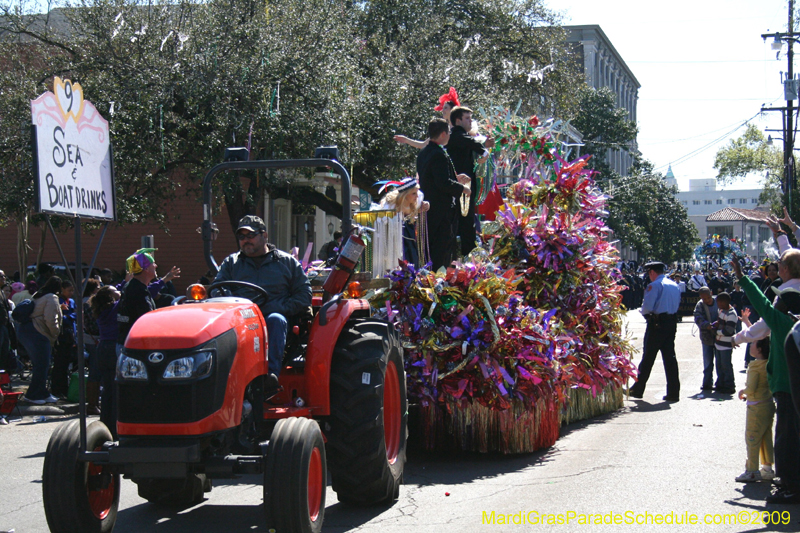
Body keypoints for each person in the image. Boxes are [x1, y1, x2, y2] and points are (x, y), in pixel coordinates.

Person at [731, 253, 800, 504]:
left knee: (785, 438)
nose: (777, 302)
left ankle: (791, 486)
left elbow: (762, 305)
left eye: (780, 299)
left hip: (786, 385)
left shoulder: (782, 323)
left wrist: (742, 278)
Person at [214, 215, 312, 391]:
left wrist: (278, 307)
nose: (245, 241)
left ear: (264, 235)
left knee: (276, 319)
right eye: (242, 237)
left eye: (250, 236)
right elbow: (217, 289)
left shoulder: (286, 262)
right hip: (239, 320)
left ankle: (270, 376)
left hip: (273, 321)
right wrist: (234, 304)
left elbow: (304, 295)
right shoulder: (231, 263)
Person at [417, 118, 471, 270]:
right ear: (442, 134)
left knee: (433, 247)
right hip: (441, 211)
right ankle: (440, 279)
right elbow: (443, 183)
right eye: (448, 132)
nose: (449, 136)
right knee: (442, 249)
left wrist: (455, 178)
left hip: (430, 208)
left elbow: (432, 177)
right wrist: (463, 189)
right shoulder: (439, 154)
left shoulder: (424, 152)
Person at [628, 262, 681, 402]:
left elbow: (647, 307)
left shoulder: (655, 285)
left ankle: (638, 389)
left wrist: (645, 314)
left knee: (648, 358)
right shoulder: (674, 285)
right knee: (670, 358)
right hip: (671, 322)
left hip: (657, 324)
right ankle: (674, 391)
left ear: (652, 272)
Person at [447, 106, 495, 257]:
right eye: (467, 118)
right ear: (457, 120)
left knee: (465, 222)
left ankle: (465, 255)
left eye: (470, 118)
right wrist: (485, 152)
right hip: (460, 187)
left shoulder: (461, 137)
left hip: (463, 187)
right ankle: (468, 257)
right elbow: (472, 143)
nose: (470, 121)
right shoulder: (457, 135)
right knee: (465, 223)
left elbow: (472, 143)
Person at [117, 248, 179, 348]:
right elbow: (147, 319)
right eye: (153, 263)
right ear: (145, 269)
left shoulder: (133, 286)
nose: (156, 266)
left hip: (127, 342)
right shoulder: (139, 290)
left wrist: (165, 279)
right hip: (135, 346)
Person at [735, 336, 775, 483]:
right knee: (766, 436)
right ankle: (767, 467)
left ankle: (752, 470)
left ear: (758, 349)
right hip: (768, 404)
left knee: (752, 437)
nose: (750, 345)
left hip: (756, 406)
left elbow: (751, 388)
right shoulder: (769, 364)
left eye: (753, 344)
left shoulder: (754, 366)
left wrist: (743, 392)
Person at [18, 276, 63, 404]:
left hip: (27, 331)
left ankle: (42, 393)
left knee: (41, 365)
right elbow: (51, 320)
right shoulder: (52, 298)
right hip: (38, 332)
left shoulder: (39, 295)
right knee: (42, 366)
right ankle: (33, 395)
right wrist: (55, 336)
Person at [90, 285, 122, 438]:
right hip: (113, 348)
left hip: (102, 348)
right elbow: (126, 300)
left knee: (107, 387)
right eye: (115, 290)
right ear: (111, 296)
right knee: (116, 389)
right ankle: (115, 427)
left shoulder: (100, 310)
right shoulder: (115, 309)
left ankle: (105, 423)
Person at [380, 177, 431, 267]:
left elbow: (418, 207)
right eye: (413, 193)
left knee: (412, 257)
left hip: (409, 234)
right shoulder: (391, 206)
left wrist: (426, 205)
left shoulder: (416, 202)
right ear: (405, 195)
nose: (417, 196)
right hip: (395, 237)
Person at [394, 87, 460, 149]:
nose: (443, 110)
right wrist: (406, 140)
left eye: (445, 108)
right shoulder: (444, 127)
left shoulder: (459, 128)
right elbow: (423, 145)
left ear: (452, 109)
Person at [50, 279, 77, 399]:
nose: (71, 293)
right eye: (69, 290)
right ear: (62, 290)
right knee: (59, 364)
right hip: (61, 335)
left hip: (71, 334)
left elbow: (76, 314)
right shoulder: (57, 300)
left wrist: (69, 315)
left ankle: (65, 389)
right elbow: (61, 318)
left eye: (72, 290)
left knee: (67, 364)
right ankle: (56, 389)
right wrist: (67, 315)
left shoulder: (71, 302)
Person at [693, 287, 718, 391]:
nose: (707, 301)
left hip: (719, 336)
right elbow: (697, 317)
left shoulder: (718, 301)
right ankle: (707, 383)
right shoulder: (699, 305)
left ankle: (721, 382)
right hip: (706, 337)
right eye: (704, 299)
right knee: (707, 362)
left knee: (721, 362)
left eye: (708, 298)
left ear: (711, 293)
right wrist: (707, 325)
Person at [713, 292, 738, 394]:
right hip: (718, 343)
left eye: (719, 302)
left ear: (724, 302)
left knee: (726, 365)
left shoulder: (732, 314)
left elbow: (729, 331)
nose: (717, 304)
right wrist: (715, 325)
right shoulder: (721, 310)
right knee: (719, 365)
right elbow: (720, 323)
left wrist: (716, 332)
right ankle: (720, 383)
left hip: (726, 345)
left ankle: (729, 385)